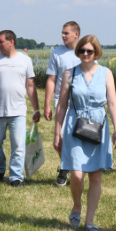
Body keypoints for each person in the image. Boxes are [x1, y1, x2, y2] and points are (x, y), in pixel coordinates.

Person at [53, 35, 116, 231]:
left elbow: (113, 103)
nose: (85, 54)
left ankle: (89, 221)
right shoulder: (69, 74)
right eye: (82, 50)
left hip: (98, 125)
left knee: (96, 175)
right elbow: (62, 105)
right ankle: (76, 205)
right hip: (75, 126)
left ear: (96, 53)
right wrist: (57, 133)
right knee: (76, 173)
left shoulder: (106, 73)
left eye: (89, 51)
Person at [0, 30, 40, 187]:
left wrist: (36, 109)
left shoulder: (25, 61)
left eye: (0, 41)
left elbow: (30, 86)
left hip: (18, 111)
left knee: (18, 145)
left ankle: (16, 177)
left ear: (11, 42)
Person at [44, 21, 81, 187]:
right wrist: (47, 104)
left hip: (81, 101)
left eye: (66, 33)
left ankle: (73, 170)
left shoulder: (86, 52)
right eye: (62, 32)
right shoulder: (57, 53)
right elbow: (51, 80)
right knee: (59, 139)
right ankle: (67, 167)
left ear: (76, 34)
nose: (63, 36)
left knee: (80, 138)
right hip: (62, 100)